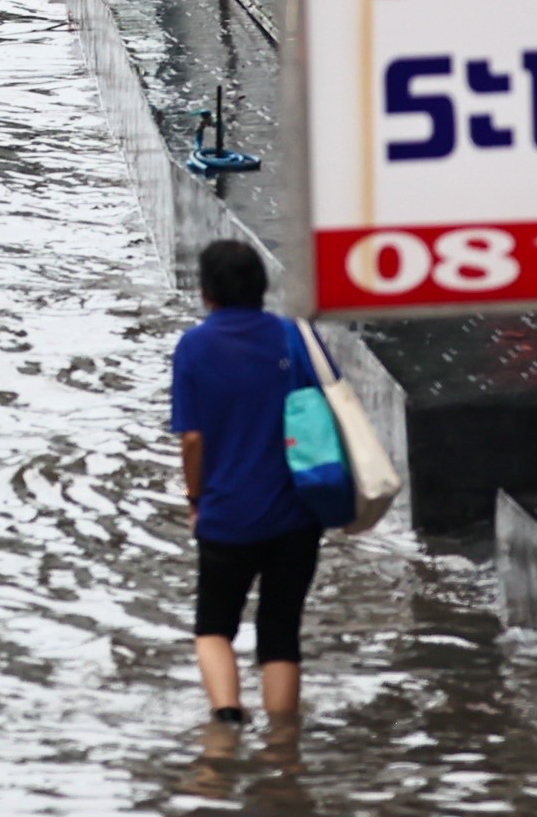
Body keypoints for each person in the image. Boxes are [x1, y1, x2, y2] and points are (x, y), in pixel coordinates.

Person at [171, 240, 325, 726]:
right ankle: (282, 745)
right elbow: (327, 410)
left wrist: (195, 500)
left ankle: (226, 720)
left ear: (207, 291)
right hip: (297, 514)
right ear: (261, 286)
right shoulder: (295, 338)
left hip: (227, 516)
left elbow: (193, 439)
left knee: (214, 628)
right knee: (281, 634)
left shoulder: (194, 347)